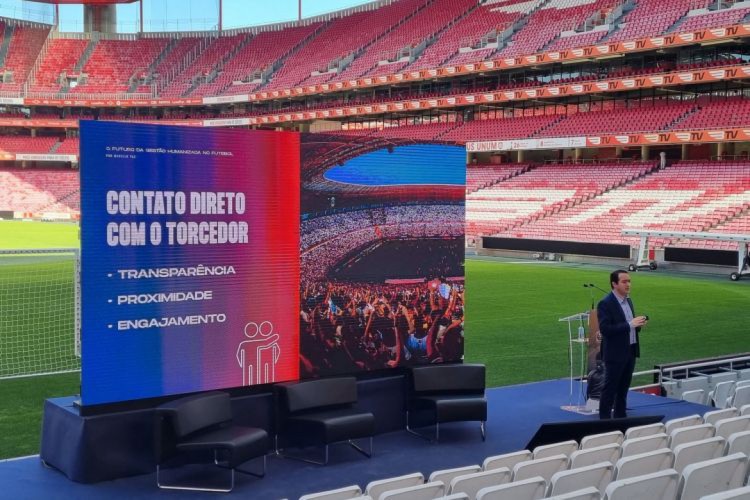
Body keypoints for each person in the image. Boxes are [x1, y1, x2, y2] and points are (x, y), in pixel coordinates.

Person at [597, 270, 648, 419]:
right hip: (615, 354)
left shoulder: (629, 301)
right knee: (609, 390)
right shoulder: (606, 303)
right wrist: (629, 324)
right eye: (624, 282)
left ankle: (621, 418)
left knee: (623, 390)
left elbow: (630, 326)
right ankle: (604, 423)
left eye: (629, 281)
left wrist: (638, 325)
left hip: (630, 351)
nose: (628, 284)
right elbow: (605, 329)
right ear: (614, 284)